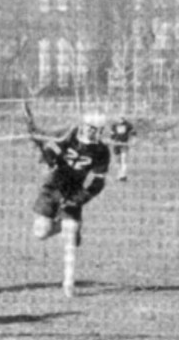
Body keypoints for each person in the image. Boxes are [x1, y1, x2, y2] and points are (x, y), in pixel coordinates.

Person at [30, 112, 111, 298]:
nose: (92, 132)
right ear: (83, 125)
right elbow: (50, 151)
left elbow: (98, 182)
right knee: (41, 233)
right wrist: (48, 158)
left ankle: (69, 284)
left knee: (70, 232)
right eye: (90, 128)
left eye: (97, 130)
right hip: (52, 188)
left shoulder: (101, 151)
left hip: (73, 192)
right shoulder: (68, 135)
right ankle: (62, 226)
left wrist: (79, 199)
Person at [109, 116, 135, 181]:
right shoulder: (114, 125)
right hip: (116, 144)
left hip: (124, 144)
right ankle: (119, 174)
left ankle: (123, 175)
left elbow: (133, 134)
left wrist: (133, 141)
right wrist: (112, 141)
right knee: (118, 161)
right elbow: (112, 136)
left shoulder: (128, 125)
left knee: (124, 160)